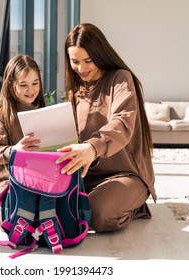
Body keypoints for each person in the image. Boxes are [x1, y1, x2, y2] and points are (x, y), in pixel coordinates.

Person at [56, 23, 157, 232]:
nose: (81, 69)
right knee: (56, 210)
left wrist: (92, 148)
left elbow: (122, 123)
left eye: (88, 61)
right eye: (75, 62)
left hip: (125, 175)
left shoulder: (120, 79)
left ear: (100, 55)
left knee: (98, 214)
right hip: (86, 175)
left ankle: (136, 207)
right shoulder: (75, 91)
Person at [0, 54, 46, 228]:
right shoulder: (2, 116)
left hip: (36, 177)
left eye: (35, 83)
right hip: (10, 182)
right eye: (23, 85)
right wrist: (15, 149)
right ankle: (2, 214)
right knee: (20, 214)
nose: (31, 90)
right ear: (11, 85)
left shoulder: (42, 111)